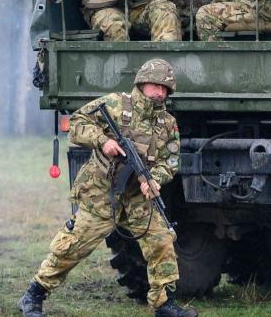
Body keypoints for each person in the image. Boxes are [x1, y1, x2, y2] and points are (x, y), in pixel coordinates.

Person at [17, 59, 196, 317]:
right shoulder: (114, 104)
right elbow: (77, 124)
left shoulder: (167, 123)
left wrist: (154, 179)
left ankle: (163, 303)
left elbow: (170, 160)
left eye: (165, 88)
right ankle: (34, 295)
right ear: (142, 83)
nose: (160, 92)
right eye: (156, 85)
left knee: (161, 241)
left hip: (137, 196)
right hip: (101, 191)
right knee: (74, 246)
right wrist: (102, 141)